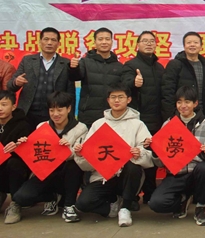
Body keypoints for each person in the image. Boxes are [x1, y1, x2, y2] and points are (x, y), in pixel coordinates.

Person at [74, 83, 153, 227]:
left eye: (120, 97)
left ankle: (125, 208)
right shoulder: (98, 125)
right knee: (83, 203)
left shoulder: (138, 124)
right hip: (102, 177)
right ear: (108, 100)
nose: (117, 100)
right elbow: (87, 162)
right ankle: (111, 208)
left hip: (126, 177)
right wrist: (81, 154)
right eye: (113, 97)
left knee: (133, 166)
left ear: (128, 99)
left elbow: (148, 155)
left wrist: (139, 153)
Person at [147, 86, 205, 226]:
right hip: (175, 175)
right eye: (179, 102)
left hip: (196, 174)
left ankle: (201, 207)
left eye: (187, 102)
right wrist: (154, 151)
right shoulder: (168, 125)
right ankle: (182, 200)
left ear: (195, 103)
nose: (183, 106)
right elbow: (159, 163)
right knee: (156, 203)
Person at [12, 91, 88, 223]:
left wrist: (67, 150)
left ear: (69, 109)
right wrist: (24, 144)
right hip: (45, 172)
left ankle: (69, 205)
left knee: (73, 165)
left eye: (59, 110)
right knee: (20, 198)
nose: (55, 114)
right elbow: (35, 153)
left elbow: (79, 155)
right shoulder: (42, 126)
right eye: (52, 110)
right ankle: (52, 197)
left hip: (67, 174)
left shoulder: (80, 128)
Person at [122, 31, 165, 205]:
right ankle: (131, 195)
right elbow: (123, 86)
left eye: (151, 41)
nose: (148, 44)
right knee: (135, 158)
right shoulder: (131, 65)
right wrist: (133, 83)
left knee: (152, 158)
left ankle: (149, 192)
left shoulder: (159, 68)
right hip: (138, 121)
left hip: (156, 120)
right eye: (145, 41)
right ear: (137, 45)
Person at [8, 27, 75, 130]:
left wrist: (70, 116)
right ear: (40, 42)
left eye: (53, 40)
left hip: (54, 114)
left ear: (58, 44)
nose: (49, 43)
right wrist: (16, 82)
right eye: (46, 39)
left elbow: (70, 92)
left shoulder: (66, 63)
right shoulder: (27, 61)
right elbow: (10, 86)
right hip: (28, 113)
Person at [69, 27, 123, 128]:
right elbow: (75, 77)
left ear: (112, 42)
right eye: (100, 39)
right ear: (94, 42)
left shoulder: (119, 66)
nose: (104, 42)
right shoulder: (85, 62)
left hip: (112, 115)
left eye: (107, 39)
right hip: (89, 115)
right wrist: (73, 68)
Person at [162, 31, 205, 123]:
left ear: (201, 46)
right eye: (189, 42)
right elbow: (167, 93)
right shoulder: (175, 64)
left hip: (203, 115)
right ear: (184, 46)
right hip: (181, 115)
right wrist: (172, 116)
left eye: (196, 42)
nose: (192, 45)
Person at [0, 90, 31, 224]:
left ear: (13, 106)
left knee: (14, 163)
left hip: (14, 173)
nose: (0, 108)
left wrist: (18, 147)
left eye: (4, 104)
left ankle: (15, 204)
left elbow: (29, 154)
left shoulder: (23, 125)